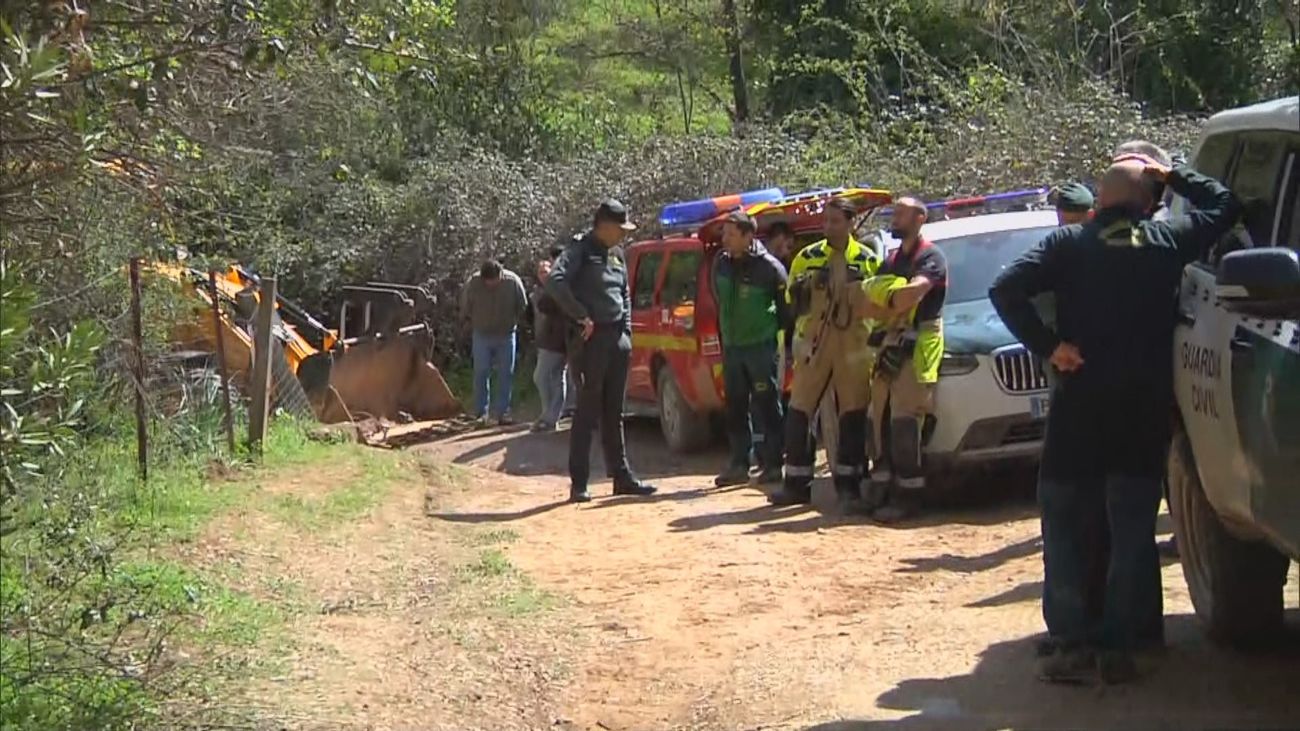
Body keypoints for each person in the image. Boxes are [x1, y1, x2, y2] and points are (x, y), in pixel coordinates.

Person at [989, 154, 1239, 684]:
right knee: (1131, 528)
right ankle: (1123, 644)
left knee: (1064, 523)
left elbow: (1005, 288)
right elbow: (1225, 205)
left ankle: (1071, 642)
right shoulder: (1167, 240)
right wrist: (1174, 174)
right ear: (1149, 201)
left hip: (1079, 406)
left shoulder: (1069, 243)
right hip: (1141, 410)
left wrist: (1050, 346)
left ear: (1099, 199)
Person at [769, 197, 882, 510]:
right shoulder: (808, 257)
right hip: (815, 344)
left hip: (854, 345)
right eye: (826, 221)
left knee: (853, 415)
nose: (829, 227)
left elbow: (880, 300)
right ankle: (796, 484)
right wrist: (810, 286)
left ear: (850, 223)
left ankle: (850, 485)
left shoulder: (867, 259)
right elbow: (791, 300)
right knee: (800, 412)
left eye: (836, 221)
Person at [546, 199, 657, 503]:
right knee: (587, 412)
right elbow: (555, 282)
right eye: (620, 228)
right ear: (605, 226)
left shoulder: (616, 254)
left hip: (617, 339)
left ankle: (621, 477)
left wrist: (627, 332)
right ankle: (579, 483)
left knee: (614, 412)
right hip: (590, 342)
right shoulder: (579, 250)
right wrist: (580, 315)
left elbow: (624, 294)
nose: (624, 234)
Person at [865, 197, 949, 522]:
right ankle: (882, 489)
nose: (895, 218)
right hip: (891, 342)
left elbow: (911, 295)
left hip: (919, 346)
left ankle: (909, 496)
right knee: (879, 417)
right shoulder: (892, 259)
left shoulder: (931, 257)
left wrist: (889, 295)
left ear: (919, 218)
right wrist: (892, 295)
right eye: (895, 213)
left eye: (901, 214)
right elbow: (866, 300)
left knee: (904, 421)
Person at [712, 209, 789, 487]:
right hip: (732, 348)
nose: (725, 240)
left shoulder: (770, 268)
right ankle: (739, 463)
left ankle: (773, 464)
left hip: (761, 348)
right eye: (724, 234)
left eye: (731, 235)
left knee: (767, 405)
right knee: (734, 406)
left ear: (748, 236)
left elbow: (785, 312)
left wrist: (776, 343)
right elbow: (718, 299)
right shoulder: (720, 263)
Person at [459, 259, 528, 425]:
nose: (491, 284)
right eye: (488, 282)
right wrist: (471, 321)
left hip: (506, 334)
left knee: (506, 373)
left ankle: (503, 412)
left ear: (501, 274)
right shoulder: (474, 283)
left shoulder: (513, 282)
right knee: (481, 371)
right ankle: (480, 412)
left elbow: (522, 305)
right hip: (482, 334)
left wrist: (512, 321)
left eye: (494, 280)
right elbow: (465, 306)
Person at [531, 247, 571, 432]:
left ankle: (550, 415)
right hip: (551, 337)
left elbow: (545, 304)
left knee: (541, 376)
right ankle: (550, 416)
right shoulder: (557, 281)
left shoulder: (562, 281)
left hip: (557, 339)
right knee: (555, 378)